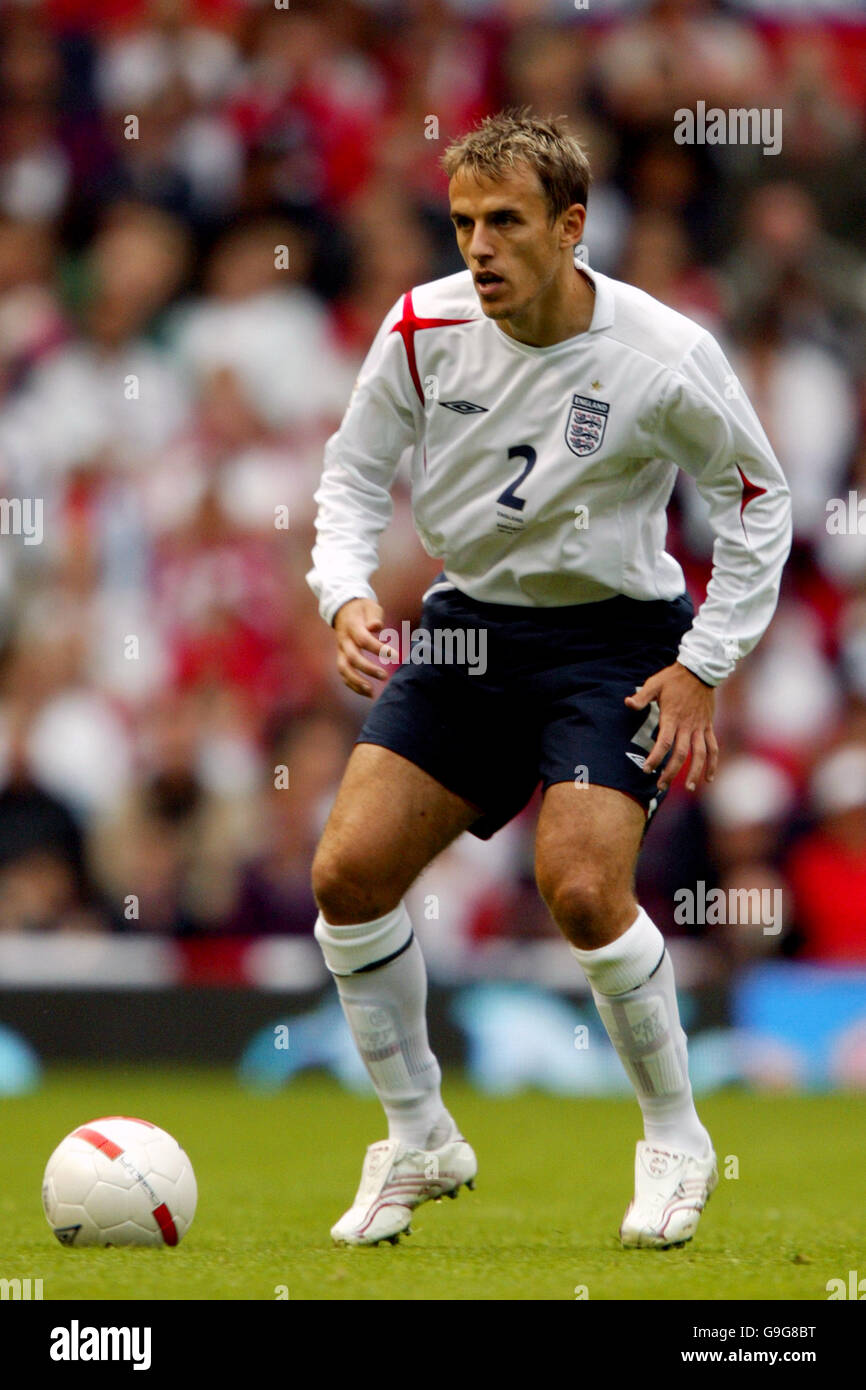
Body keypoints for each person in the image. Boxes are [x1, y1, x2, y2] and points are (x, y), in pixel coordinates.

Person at [305, 110, 792, 1249]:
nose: (476, 246)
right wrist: (344, 591)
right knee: (346, 873)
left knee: (578, 885)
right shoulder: (423, 326)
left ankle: (674, 1136)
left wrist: (700, 665)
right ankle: (418, 1132)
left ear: (570, 227)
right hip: (471, 631)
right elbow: (351, 475)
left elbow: (758, 505)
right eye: (464, 221)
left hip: (615, 640)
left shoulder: (661, 355)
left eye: (505, 222)